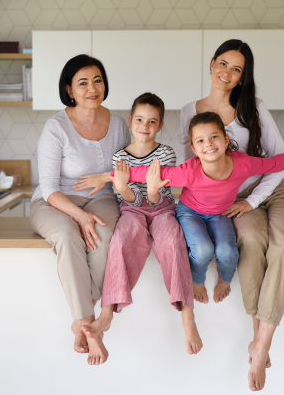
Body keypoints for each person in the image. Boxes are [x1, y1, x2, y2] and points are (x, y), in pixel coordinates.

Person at [179, 39, 284, 392]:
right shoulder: (188, 111)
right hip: (233, 199)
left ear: (242, 77)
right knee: (252, 241)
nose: (227, 72)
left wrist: (254, 200)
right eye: (223, 63)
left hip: (277, 188)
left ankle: (263, 343)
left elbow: (277, 160)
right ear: (211, 64)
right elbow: (193, 168)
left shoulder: (253, 107)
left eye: (236, 69)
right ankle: (257, 337)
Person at [74, 93, 201, 365]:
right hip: (132, 211)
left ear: (160, 125)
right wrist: (122, 189)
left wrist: (151, 193)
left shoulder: (166, 153)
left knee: (172, 240)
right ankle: (106, 313)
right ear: (131, 121)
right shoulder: (120, 157)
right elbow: (127, 200)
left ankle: (187, 315)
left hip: (163, 209)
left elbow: (160, 198)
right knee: (120, 240)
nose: (145, 126)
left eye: (152, 121)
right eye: (140, 120)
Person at [29, 54, 129, 357]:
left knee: (105, 239)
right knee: (67, 236)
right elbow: (48, 186)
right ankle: (88, 324)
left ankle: (81, 324)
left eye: (97, 80)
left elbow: (129, 168)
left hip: (102, 198)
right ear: (69, 90)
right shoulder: (56, 127)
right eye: (82, 82)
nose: (91, 88)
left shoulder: (119, 124)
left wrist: (111, 180)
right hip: (55, 201)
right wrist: (80, 217)